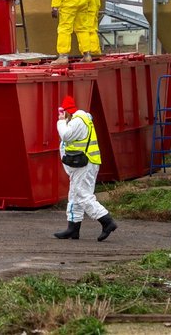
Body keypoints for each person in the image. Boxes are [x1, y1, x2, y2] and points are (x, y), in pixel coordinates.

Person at [54, 95, 117, 241]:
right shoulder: (80, 119)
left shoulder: (77, 121)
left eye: (63, 113)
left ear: (67, 112)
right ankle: (73, 229)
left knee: (82, 194)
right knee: (75, 195)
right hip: (83, 163)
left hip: (84, 164)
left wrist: (60, 122)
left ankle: (106, 221)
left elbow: (66, 136)